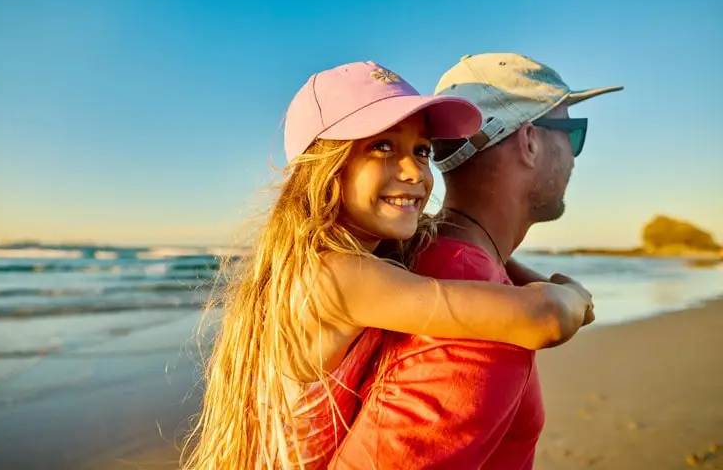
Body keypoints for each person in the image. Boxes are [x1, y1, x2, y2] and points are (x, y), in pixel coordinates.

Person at [182, 61, 595, 470]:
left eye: (422, 150)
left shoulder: (352, 260)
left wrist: (530, 276)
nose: (414, 171)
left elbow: (473, 249)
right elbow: (543, 318)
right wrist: (573, 294)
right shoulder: (337, 277)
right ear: (324, 169)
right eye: (382, 146)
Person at [329, 53, 622, 469]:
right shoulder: (480, 317)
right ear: (530, 141)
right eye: (573, 134)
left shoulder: (435, 257)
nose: (574, 158)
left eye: (422, 151)